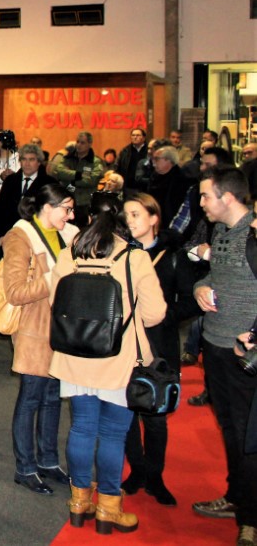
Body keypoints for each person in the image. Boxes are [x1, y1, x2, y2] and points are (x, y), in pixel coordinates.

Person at [49, 202, 166, 536]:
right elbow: (155, 313)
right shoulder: (135, 258)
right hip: (118, 359)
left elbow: (53, 302)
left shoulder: (70, 256)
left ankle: (79, 501)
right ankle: (108, 508)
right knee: (113, 434)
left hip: (74, 356)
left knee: (82, 428)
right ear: (119, 226)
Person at [189, 167, 257, 539]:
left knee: (249, 436)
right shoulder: (220, 231)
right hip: (214, 345)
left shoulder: (254, 234)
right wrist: (201, 286)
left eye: (205, 196)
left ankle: (252, 517)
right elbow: (214, 275)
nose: (201, 204)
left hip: (244, 353)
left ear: (227, 197)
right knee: (229, 430)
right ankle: (237, 497)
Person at [120, 192, 199, 506]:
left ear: (154, 218)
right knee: (125, 415)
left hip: (159, 347)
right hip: (125, 346)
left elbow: (192, 299)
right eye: (126, 214)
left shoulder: (173, 255)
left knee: (155, 417)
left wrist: (165, 317)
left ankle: (155, 476)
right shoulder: (120, 252)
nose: (129, 220)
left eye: (136, 214)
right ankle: (137, 471)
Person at [0, 182, 79, 495]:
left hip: (59, 329)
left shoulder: (65, 234)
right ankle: (25, 467)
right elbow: (15, 292)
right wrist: (55, 275)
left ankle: (48, 461)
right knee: (31, 396)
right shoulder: (20, 236)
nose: (71, 215)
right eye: (66, 208)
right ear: (48, 207)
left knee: (52, 398)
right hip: (33, 329)